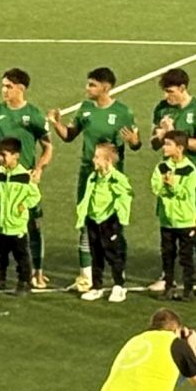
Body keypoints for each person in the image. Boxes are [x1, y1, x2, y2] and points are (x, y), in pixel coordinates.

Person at [55, 67, 142, 291]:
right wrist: (57, 124)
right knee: (86, 223)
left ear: (106, 87)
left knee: (112, 228)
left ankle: (118, 278)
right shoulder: (85, 109)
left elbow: (136, 144)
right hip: (89, 175)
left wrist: (133, 140)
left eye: (92, 84)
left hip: (112, 180)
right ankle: (86, 276)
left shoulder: (123, 112)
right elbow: (69, 136)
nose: (87, 88)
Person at [0, 68, 53, 290]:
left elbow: (48, 147)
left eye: (8, 86)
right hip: (1, 179)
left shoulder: (35, 114)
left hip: (24, 179)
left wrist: (38, 168)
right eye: (3, 86)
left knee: (33, 225)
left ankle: (36, 272)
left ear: (21, 88)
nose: (4, 90)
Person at [151, 68, 196, 296]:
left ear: (182, 89)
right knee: (168, 222)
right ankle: (167, 277)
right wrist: (161, 136)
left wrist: (174, 134)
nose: (166, 96)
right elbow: (154, 143)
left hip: (192, 173)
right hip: (168, 171)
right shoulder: (162, 109)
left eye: (170, 92)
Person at [77, 141, 134, 303]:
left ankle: (119, 286)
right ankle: (97, 286)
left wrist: (121, 218)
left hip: (109, 221)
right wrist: (83, 215)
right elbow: (88, 196)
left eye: (97, 157)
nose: (94, 160)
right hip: (93, 220)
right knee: (96, 255)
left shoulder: (117, 179)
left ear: (107, 161)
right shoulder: (93, 177)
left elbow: (126, 195)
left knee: (114, 254)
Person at [150, 130, 196, 299]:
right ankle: (169, 286)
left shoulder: (190, 169)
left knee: (186, 257)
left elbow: (186, 193)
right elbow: (156, 187)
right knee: (167, 256)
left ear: (179, 148)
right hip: (166, 221)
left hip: (185, 221)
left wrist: (172, 186)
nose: (164, 147)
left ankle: (188, 289)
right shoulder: (162, 167)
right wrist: (167, 188)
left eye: (168, 144)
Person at [0, 139, 40, 294]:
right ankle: (0, 280)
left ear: (16, 155)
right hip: (0, 224)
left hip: (17, 225)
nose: (1, 158)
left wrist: (23, 205)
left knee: (21, 256)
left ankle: (24, 282)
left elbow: (35, 196)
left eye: (4, 155)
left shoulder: (24, 176)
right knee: (0, 255)